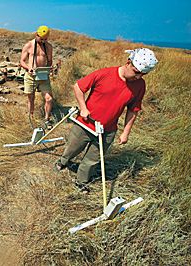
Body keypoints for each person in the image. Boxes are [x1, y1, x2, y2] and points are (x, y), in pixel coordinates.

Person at [55, 48, 158, 192]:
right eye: (136, 72)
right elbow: (78, 87)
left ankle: (81, 181)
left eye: (143, 74)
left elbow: (133, 109)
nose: (139, 77)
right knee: (73, 148)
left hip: (107, 130)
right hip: (85, 124)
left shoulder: (140, 85)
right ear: (128, 62)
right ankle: (63, 161)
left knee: (93, 159)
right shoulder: (105, 74)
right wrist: (83, 108)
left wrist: (126, 132)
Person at [20, 25, 54, 129]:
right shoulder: (29, 45)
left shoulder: (48, 47)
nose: (43, 41)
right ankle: (31, 118)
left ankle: (47, 119)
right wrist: (28, 68)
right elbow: (21, 61)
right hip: (31, 76)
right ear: (37, 35)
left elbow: (50, 60)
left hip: (43, 76)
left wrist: (50, 68)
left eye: (45, 39)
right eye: (41, 38)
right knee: (31, 98)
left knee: (49, 99)